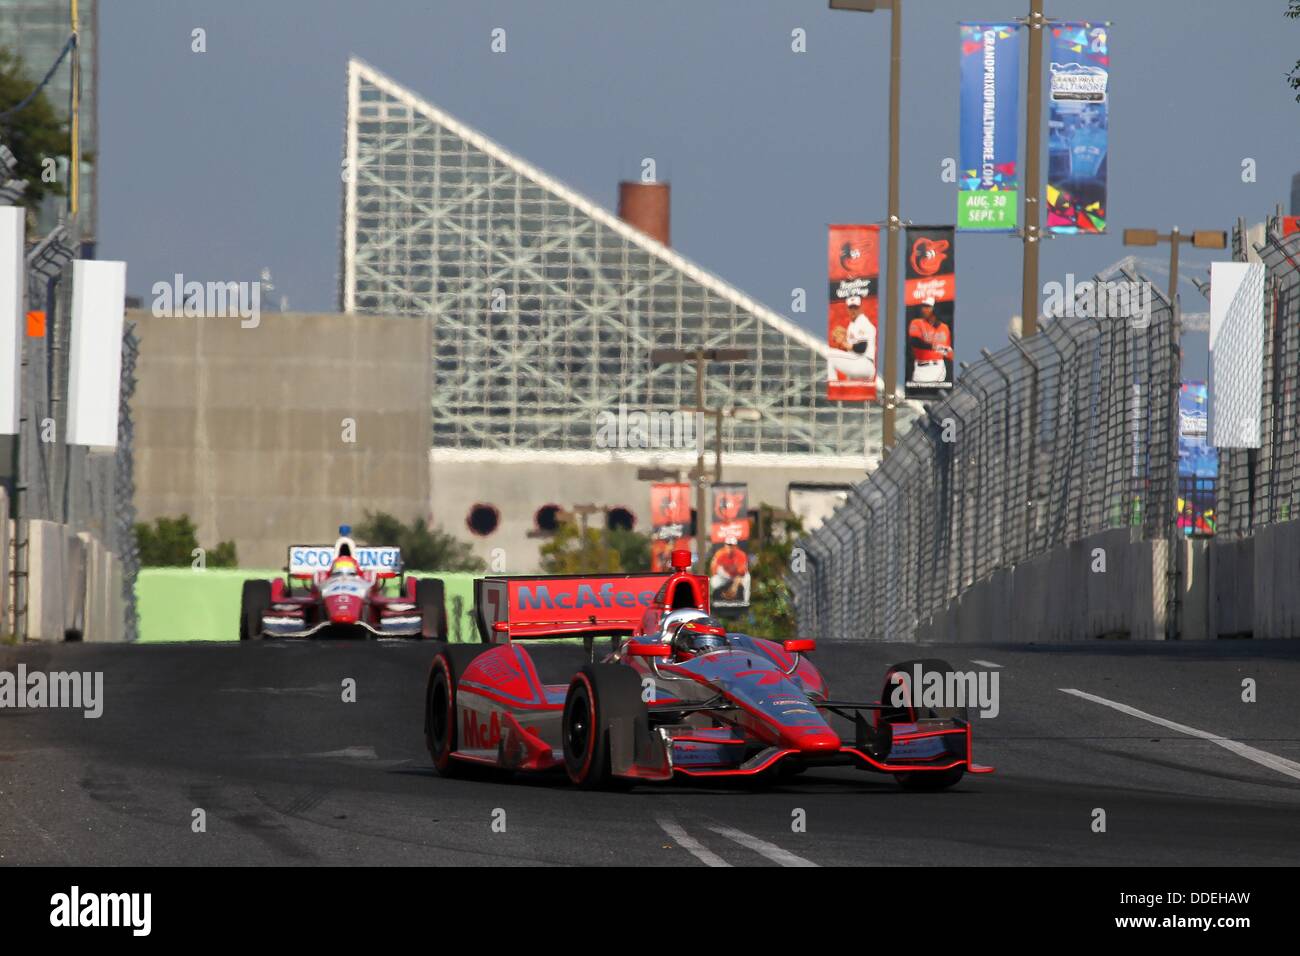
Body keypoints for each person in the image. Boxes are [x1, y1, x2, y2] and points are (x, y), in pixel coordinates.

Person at [908, 298, 952, 386]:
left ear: (935, 309)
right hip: (921, 368)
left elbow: (948, 351)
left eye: (928, 307)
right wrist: (933, 347)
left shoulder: (944, 328)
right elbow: (914, 341)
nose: (924, 309)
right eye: (923, 306)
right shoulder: (917, 323)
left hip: (939, 367)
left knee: (937, 397)